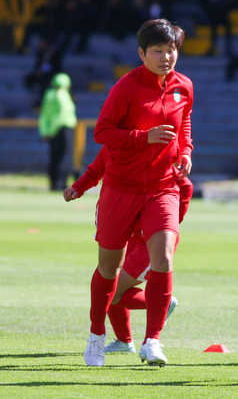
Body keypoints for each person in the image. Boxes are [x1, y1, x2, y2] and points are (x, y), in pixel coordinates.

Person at [84, 18, 193, 367]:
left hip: (163, 188)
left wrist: (186, 151)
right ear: (142, 53)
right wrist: (142, 138)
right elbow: (102, 132)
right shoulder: (126, 87)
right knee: (108, 267)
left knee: (163, 258)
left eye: (171, 50)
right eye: (158, 51)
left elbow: (185, 124)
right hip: (121, 189)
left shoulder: (184, 86)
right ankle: (97, 336)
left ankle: (153, 341)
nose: (166, 57)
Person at [63, 146, 193, 352]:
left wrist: (168, 224)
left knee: (112, 293)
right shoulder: (111, 148)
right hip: (127, 236)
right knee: (109, 281)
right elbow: (95, 171)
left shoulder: (152, 150)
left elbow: (184, 185)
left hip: (147, 244)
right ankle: (124, 341)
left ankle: (162, 306)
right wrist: (77, 188)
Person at [38, 72, 77, 191]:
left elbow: (44, 115)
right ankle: (60, 184)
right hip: (62, 130)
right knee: (62, 158)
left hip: (51, 131)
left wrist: (46, 131)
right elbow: (62, 115)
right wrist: (54, 130)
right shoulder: (63, 95)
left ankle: (53, 183)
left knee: (54, 158)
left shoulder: (48, 94)